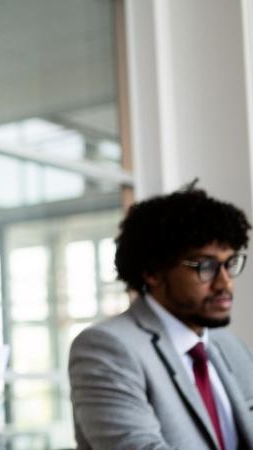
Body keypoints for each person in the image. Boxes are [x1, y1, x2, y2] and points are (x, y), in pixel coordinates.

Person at [69, 182, 253, 449]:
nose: (225, 283)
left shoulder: (230, 346)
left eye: (229, 264)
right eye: (206, 266)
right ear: (152, 272)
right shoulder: (106, 348)